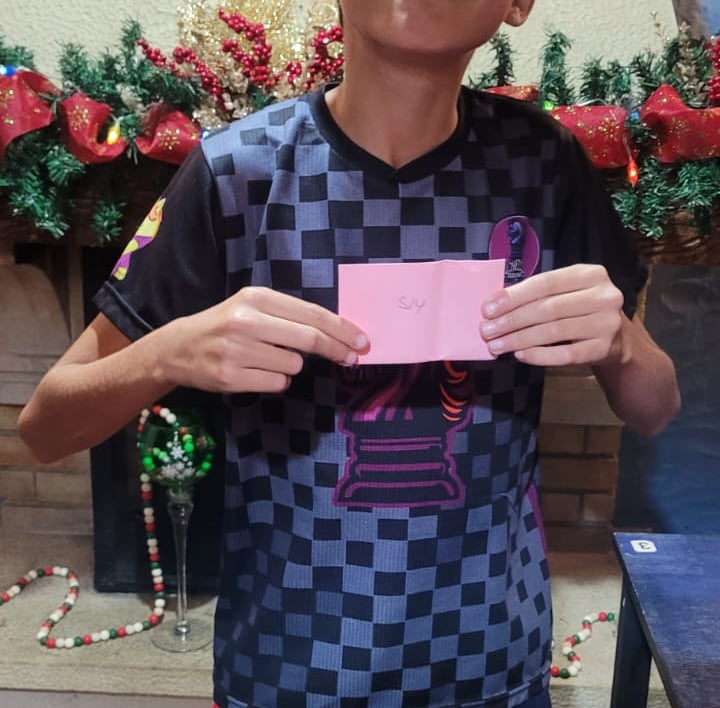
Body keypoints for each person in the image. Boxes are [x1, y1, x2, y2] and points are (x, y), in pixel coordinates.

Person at [18, 1, 680, 706]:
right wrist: (166, 355)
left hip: (490, 662)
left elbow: (657, 407)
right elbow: (45, 427)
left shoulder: (544, 163)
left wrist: (618, 343)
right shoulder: (237, 172)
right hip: (287, 669)